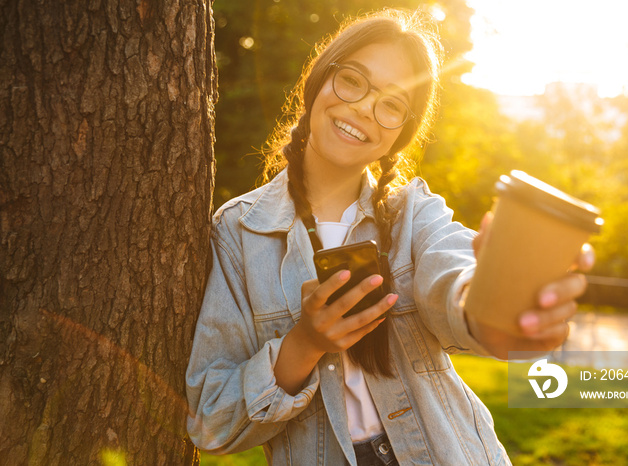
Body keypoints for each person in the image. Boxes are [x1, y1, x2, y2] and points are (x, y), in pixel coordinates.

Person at [186, 8, 592, 465]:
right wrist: (305, 344)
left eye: (393, 104)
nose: (364, 108)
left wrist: (498, 307)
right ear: (319, 79)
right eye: (353, 80)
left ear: (400, 134)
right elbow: (211, 422)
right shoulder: (239, 231)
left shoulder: (413, 213)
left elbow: (455, 279)